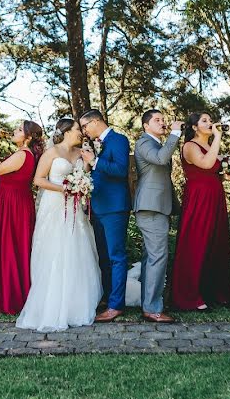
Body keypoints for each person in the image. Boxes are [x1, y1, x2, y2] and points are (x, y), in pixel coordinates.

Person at [16, 119, 102, 331]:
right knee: (55, 251)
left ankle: (76, 306)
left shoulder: (80, 153)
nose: (80, 133)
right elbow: (38, 179)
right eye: (76, 130)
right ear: (65, 132)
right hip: (54, 207)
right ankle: (52, 306)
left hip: (75, 210)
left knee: (77, 252)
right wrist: (63, 188)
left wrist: (83, 182)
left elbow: (87, 174)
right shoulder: (51, 152)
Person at [171, 112, 230, 310]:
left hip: (215, 196)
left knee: (216, 242)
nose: (210, 123)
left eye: (210, 120)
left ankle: (213, 292)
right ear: (195, 127)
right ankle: (189, 295)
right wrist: (218, 138)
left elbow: (214, 171)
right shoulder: (189, 146)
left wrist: (226, 173)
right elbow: (205, 164)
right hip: (199, 198)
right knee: (197, 242)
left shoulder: (210, 145)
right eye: (204, 121)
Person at [79, 109, 131, 322]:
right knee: (103, 257)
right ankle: (109, 297)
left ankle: (116, 305)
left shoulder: (118, 139)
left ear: (96, 121)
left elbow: (121, 170)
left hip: (115, 208)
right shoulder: (95, 144)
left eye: (85, 126)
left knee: (116, 256)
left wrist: (95, 161)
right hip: (98, 207)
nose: (83, 131)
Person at [132, 109, 183, 323]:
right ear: (146, 125)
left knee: (150, 257)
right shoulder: (144, 142)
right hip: (150, 207)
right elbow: (161, 160)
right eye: (157, 120)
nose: (163, 123)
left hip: (158, 207)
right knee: (158, 257)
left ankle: (149, 304)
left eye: (164, 119)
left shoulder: (157, 144)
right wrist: (175, 134)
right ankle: (152, 308)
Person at [0, 120, 43, 315]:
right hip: (16, 203)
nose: (14, 131)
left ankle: (14, 296)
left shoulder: (22, 154)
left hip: (14, 206)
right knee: (17, 247)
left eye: (19, 130)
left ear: (28, 137)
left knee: (12, 247)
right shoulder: (26, 154)